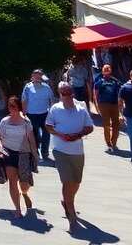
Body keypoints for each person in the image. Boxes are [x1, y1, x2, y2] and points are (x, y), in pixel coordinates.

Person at [46, 82, 95, 222]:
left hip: (77, 151)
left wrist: (77, 135)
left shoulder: (81, 109)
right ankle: (70, 209)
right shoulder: (55, 108)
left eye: (68, 93)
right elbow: (48, 126)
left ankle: (67, 200)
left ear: (72, 94)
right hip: (60, 150)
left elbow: (89, 127)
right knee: (67, 181)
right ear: (60, 95)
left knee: (76, 181)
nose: (66, 96)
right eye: (63, 94)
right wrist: (60, 135)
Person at [0, 96, 38, 219]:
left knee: (24, 183)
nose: (11, 109)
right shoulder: (4, 121)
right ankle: (17, 209)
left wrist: (35, 155)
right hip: (8, 153)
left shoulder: (26, 122)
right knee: (12, 182)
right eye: (9, 106)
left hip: (23, 154)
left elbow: (32, 139)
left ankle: (24, 193)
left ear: (19, 107)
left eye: (13, 106)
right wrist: (0, 148)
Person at [22, 69, 56, 160]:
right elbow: (24, 100)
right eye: (35, 75)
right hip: (32, 114)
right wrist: (24, 114)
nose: (37, 77)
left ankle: (45, 152)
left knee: (46, 133)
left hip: (44, 114)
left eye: (39, 75)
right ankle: (35, 151)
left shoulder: (46, 87)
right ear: (32, 77)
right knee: (35, 134)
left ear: (41, 76)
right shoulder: (28, 87)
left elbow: (51, 100)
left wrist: (52, 113)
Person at [93, 63, 122, 152]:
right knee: (106, 125)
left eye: (108, 68)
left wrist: (121, 105)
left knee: (116, 125)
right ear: (102, 71)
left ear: (111, 70)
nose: (107, 70)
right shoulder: (99, 81)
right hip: (104, 105)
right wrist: (96, 106)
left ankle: (114, 142)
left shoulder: (115, 81)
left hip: (114, 104)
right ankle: (108, 143)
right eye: (105, 68)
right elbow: (95, 95)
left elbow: (120, 93)